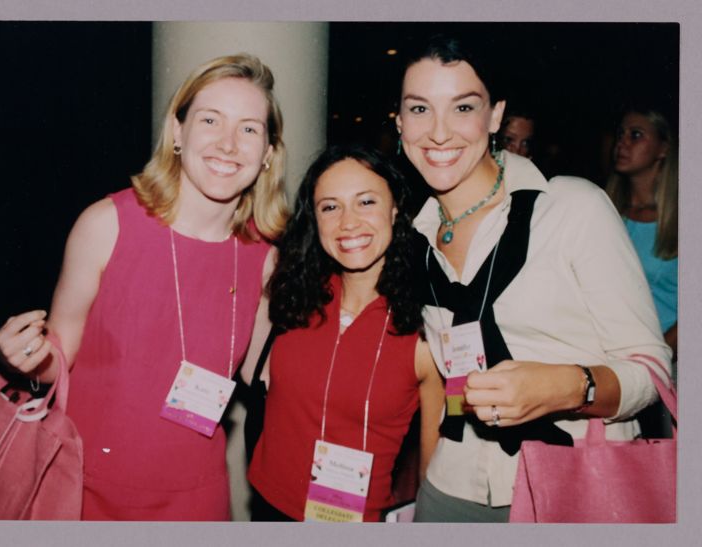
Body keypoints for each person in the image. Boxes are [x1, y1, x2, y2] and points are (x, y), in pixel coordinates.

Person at [0, 53, 288, 520]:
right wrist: (26, 357)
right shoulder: (106, 224)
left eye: (249, 128)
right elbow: (59, 356)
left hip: (196, 501)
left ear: (269, 153)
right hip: (82, 487)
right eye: (210, 120)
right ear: (177, 131)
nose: (229, 144)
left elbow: (268, 374)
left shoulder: (267, 256)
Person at [393, 34, 673, 522]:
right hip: (450, 483)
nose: (438, 132)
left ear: (495, 116)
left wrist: (567, 387)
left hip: (568, 486)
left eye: (463, 107)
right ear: (399, 122)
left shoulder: (570, 208)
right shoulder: (414, 236)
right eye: (419, 110)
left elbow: (652, 373)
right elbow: (450, 377)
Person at [246, 144, 443, 522]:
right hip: (269, 507)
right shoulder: (292, 298)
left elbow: (431, 470)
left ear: (396, 208)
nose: (348, 222)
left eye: (366, 202)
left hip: (355, 521)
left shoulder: (425, 331)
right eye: (330, 207)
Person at [606, 107, 678, 362]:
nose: (622, 143)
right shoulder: (607, 211)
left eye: (635, 135)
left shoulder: (681, 221)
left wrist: (658, 359)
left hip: (664, 362)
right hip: (607, 356)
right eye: (621, 134)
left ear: (663, 149)